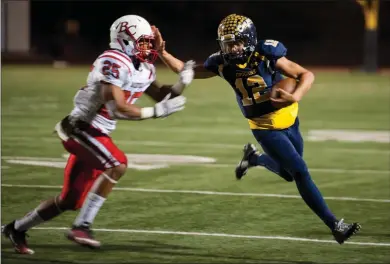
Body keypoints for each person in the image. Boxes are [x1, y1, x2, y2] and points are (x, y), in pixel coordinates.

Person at [153, 14, 360, 244]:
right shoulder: (220, 63)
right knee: (300, 171)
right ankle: (335, 226)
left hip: (290, 120)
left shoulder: (265, 53)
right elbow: (184, 69)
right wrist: (162, 53)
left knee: (288, 174)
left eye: (236, 42)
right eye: (227, 44)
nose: (232, 49)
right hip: (265, 128)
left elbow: (305, 75)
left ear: (249, 39)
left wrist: (295, 96)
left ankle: (254, 158)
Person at [2, 14, 195, 254]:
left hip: (96, 133)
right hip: (80, 127)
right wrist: (156, 111)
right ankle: (82, 226)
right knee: (117, 164)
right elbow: (117, 109)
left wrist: (181, 84)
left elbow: (162, 98)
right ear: (124, 40)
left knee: (69, 200)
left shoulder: (143, 68)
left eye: (148, 42)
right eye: (142, 42)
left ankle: (16, 228)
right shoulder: (113, 60)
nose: (147, 47)